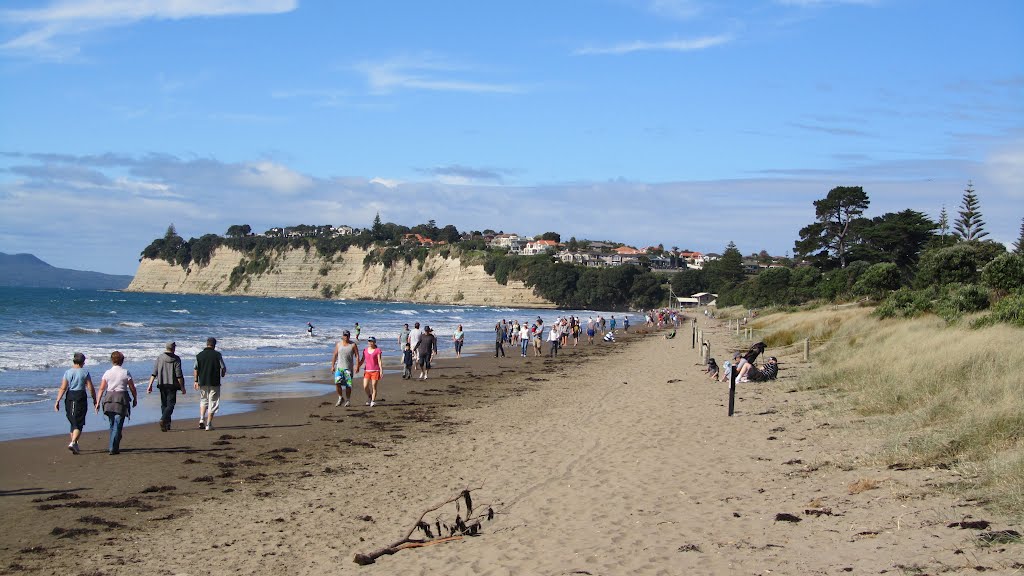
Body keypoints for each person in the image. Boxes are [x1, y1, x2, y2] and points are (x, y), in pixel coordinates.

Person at [95, 351, 137, 455]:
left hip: (109, 399)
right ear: (122, 361)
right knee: (117, 424)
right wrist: (135, 398)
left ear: (111, 360)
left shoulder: (107, 372)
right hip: (121, 399)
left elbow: (101, 389)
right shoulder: (125, 372)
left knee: (113, 424)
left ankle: (114, 445)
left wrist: (98, 402)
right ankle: (113, 447)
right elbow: (132, 387)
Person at [54, 352, 95, 454]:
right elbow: (90, 387)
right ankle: (73, 442)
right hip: (80, 396)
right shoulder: (84, 372)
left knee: (73, 421)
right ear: (83, 362)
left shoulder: (68, 372)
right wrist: (94, 399)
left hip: (70, 396)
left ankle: (75, 445)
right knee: (79, 422)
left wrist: (57, 400)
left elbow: (63, 387)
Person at [147, 342, 185, 432]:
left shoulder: (160, 358)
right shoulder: (176, 359)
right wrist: (182, 386)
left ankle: (167, 424)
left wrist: (150, 385)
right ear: (173, 348)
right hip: (172, 385)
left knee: (164, 404)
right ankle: (163, 419)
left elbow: (154, 373)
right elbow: (178, 375)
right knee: (171, 405)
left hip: (162, 384)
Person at [194, 337, 227, 431]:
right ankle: (208, 424)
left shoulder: (199, 355)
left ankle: (201, 419)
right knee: (213, 402)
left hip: (202, 381)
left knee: (203, 400)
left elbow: (195, 369)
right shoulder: (217, 355)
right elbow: (223, 367)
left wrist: (196, 381)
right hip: (214, 382)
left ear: (206, 344)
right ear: (214, 345)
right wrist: (222, 374)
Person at [330, 330, 359, 407]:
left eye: (347, 336)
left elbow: (357, 356)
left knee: (348, 385)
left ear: (349, 336)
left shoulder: (353, 345)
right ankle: (340, 398)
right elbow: (335, 355)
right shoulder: (338, 344)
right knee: (337, 383)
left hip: (348, 368)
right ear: (343, 336)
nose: (346, 337)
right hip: (339, 368)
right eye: (345, 336)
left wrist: (357, 366)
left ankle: (348, 400)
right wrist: (332, 366)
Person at [358, 336, 383, 406]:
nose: (369, 342)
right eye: (369, 341)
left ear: (374, 342)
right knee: (365, 386)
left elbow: (379, 361)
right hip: (367, 370)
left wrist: (381, 370)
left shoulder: (378, 350)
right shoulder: (365, 350)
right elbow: (362, 360)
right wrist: (358, 366)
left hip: (375, 370)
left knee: (373, 386)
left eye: (371, 341)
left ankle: (373, 401)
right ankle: (369, 396)